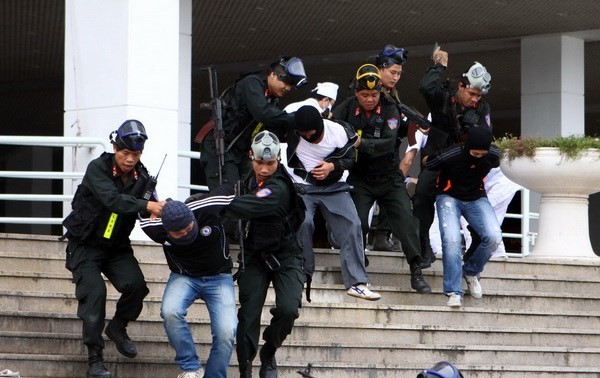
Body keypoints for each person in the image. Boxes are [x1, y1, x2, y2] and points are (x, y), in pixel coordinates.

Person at [61, 120, 166, 378]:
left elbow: (152, 209)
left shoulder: (143, 178)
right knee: (95, 293)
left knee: (137, 287)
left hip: (116, 247)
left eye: (136, 155)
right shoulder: (98, 168)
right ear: (115, 147)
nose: (130, 159)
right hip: (85, 244)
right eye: (125, 153)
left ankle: (118, 327)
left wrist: (168, 215)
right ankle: (95, 359)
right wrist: (147, 206)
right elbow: (113, 200)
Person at [332, 64, 431, 294]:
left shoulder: (390, 109)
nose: (369, 99)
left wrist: (359, 143)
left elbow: (387, 143)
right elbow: (331, 129)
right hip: (360, 176)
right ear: (356, 93)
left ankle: (416, 270)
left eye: (374, 95)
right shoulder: (346, 109)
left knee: (406, 223)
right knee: (357, 223)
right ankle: (357, 263)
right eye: (364, 95)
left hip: (388, 176)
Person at [220, 131, 306, 378]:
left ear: (278, 159)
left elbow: (253, 204)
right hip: (255, 256)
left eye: (271, 163)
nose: (265, 169)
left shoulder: (279, 186)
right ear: (251, 157)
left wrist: (217, 202)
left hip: (286, 256)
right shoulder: (243, 182)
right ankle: (245, 368)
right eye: (260, 163)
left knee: (288, 309)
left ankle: (269, 352)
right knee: (248, 316)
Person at [285, 105, 381, 301]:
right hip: (303, 187)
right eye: (302, 133)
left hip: (334, 186)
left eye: (311, 134)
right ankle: (302, 274)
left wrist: (332, 166)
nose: (307, 136)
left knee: (352, 224)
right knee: (303, 221)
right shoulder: (294, 132)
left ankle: (357, 283)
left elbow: (350, 160)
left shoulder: (337, 131)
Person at [139, 192, 237, 378]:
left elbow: (231, 192)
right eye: (178, 233)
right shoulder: (154, 228)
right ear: (166, 230)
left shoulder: (207, 210)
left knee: (226, 331)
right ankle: (191, 368)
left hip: (219, 277)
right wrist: (152, 205)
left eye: (188, 228)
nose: (185, 233)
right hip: (184, 277)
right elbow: (138, 208)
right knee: (170, 311)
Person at [415, 49, 493, 269]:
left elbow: (487, 135)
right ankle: (423, 247)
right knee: (421, 196)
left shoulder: (481, 108)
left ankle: (473, 251)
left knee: (478, 206)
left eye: (479, 95)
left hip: (465, 165)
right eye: (472, 93)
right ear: (461, 86)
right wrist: (439, 65)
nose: (475, 99)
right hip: (437, 158)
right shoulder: (443, 97)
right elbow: (425, 87)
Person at [199, 56, 308, 190]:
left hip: (240, 152)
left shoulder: (272, 100)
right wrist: (297, 118)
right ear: (273, 75)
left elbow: (271, 127)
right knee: (227, 195)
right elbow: (263, 113)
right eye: (286, 82)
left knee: (247, 192)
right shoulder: (252, 83)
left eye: (291, 85)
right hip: (220, 145)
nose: (288, 88)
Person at [425, 127, 502, 308]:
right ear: (467, 147)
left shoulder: (493, 155)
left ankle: (470, 271)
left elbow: (495, 161)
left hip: (476, 197)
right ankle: (453, 291)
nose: (478, 157)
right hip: (449, 196)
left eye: (482, 154)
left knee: (493, 236)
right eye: (474, 153)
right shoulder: (452, 154)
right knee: (451, 239)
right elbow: (429, 163)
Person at [370, 44, 410, 252]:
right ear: (380, 68)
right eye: (392, 72)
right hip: (369, 153)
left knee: (392, 195)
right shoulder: (367, 86)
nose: (395, 77)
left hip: (389, 155)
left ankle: (383, 236)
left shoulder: (392, 94)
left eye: (399, 73)